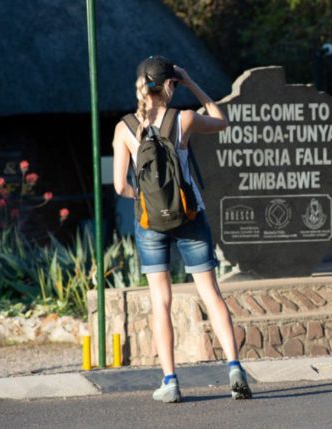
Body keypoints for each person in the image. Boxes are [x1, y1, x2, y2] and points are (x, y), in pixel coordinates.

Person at [112, 56, 252, 402]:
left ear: (141, 86)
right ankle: (234, 367)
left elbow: (119, 186)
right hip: (191, 217)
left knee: (161, 302)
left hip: (150, 224)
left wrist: (145, 200)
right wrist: (193, 84)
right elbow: (222, 120)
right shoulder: (184, 119)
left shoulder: (124, 128)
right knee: (210, 294)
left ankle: (171, 381)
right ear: (170, 85)